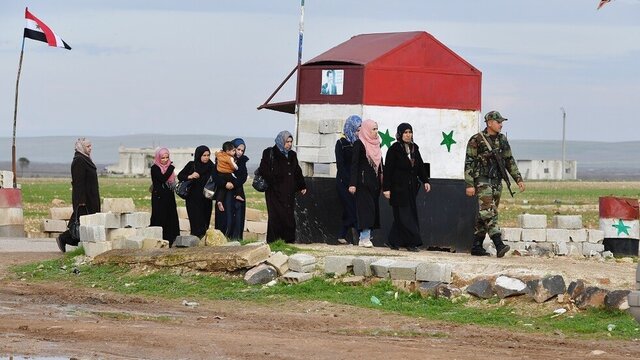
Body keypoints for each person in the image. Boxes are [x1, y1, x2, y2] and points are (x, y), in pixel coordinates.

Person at [464, 110, 526, 258]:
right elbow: (469, 163)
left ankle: (477, 246)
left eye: (501, 122)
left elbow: (509, 160)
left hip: (497, 182)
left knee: (486, 214)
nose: (501, 125)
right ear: (489, 123)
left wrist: (518, 179)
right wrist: (469, 184)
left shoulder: (502, 140)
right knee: (487, 212)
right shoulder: (476, 140)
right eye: (498, 122)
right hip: (482, 181)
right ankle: (498, 243)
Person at [383, 123, 431, 252]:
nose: (408, 135)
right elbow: (388, 170)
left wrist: (425, 180)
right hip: (398, 188)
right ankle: (411, 243)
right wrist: (386, 188)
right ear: (399, 134)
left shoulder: (414, 148)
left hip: (411, 188)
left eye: (410, 132)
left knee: (403, 216)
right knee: (405, 216)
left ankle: (393, 241)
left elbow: (420, 166)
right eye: (405, 132)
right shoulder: (394, 149)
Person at [258, 130, 307, 243]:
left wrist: (302, 185)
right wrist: (274, 181)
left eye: (291, 141)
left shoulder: (292, 155)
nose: (289, 144)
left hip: (288, 192)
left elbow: (297, 171)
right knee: (276, 217)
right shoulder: (269, 153)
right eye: (287, 141)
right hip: (274, 192)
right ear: (281, 141)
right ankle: (274, 242)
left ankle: (288, 241)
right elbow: (263, 169)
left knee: (288, 216)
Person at [55, 138, 101, 253]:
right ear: (81, 147)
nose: (90, 148)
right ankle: (64, 238)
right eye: (88, 146)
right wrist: (81, 200)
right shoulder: (79, 160)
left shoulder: (85, 159)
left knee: (87, 221)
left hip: (91, 197)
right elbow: (78, 182)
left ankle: (72, 241)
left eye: (90, 146)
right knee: (81, 222)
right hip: (84, 199)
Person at [349, 119, 383, 248]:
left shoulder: (376, 144)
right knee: (366, 210)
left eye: (376, 129)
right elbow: (354, 164)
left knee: (372, 211)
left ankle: (366, 237)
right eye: (373, 129)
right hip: (362, 183)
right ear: (367, 130)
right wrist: (352, 184)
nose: (376, 132)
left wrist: (383, 183)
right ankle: (364, 237)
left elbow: (380, 165)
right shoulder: (359, 143)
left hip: (374, 184)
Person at [214, 138, 249, 240]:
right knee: (224, 218)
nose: (240, 152)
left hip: (237, 191)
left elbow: (243, 176)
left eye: (242, 150)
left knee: (237, 218)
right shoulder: (222, 158)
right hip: (224, 193)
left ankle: (236, 239)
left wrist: (233, 184)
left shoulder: (242, 161)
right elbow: (215, 175)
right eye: (238, 149)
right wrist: (225, 184)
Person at [334, 114, 362, 245]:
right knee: (351, 208)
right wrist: (349, 182)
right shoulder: (341, 143)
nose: (359, 132)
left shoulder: (358, 143)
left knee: (350, 209)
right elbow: (340, 165)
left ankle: (341, 235)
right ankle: (361, 237)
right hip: (343, 182)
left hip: (355, 183)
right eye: (357, 129)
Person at [178, 145, 214, 238]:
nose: (206, 157)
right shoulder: (192, 165)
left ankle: (203, 243)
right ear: (198, 155)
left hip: (206, 199)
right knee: (195, 222)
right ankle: (195, 241)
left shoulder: (211, 167)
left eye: (208, 155)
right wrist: (190, 176)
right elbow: (180, 176)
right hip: (193, 199)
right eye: (204, 155)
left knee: (205, 222)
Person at [150, 147, 179, 246]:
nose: (165, 160)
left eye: (167, 157)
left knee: (171, 218)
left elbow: (172, 182)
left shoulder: (169, 168)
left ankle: (171, 240)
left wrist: (170, 168)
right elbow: (162, 178)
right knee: (159, 218)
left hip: (169, 197)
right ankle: (158, 241)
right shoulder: (155, 168)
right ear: (158, 158)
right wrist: (171, 168)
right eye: (163, 158)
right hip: (159, 198)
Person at [214, 141, 243, 212]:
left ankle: (219, 201)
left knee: (222, 189)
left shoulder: (219, 155)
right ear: (228, 151)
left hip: (221, 174)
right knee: (236, 181)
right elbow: (234, 166)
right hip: (228, 174)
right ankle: (238, 194)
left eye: (242, 150)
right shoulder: (230, 158)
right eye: (235, 150)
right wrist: (236, 167)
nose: (238, 152)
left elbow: (216, 154)